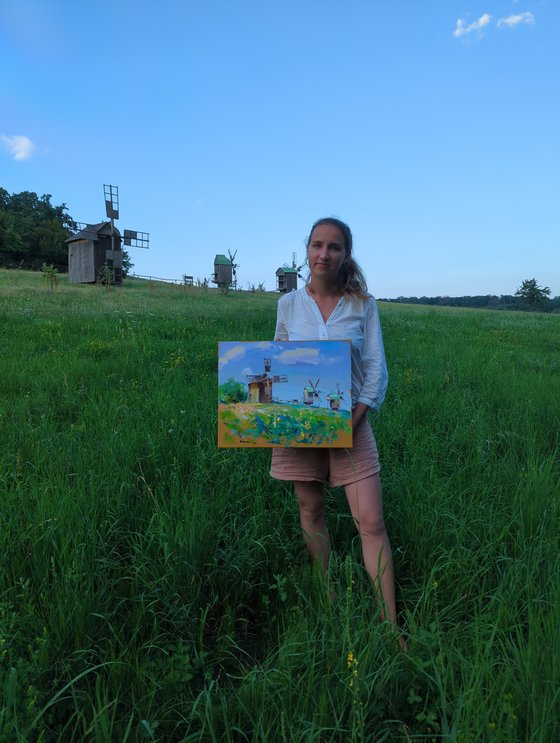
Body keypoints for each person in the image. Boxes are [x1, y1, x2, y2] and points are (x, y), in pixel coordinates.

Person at [270, 217, 404, 643]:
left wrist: (355, 418)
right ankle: (327, 595)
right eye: (317, 245)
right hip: (300, 424)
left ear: (346, 254)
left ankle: (390, 627)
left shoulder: (363, 305)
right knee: (310, 511)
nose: (323, 254)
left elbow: (374, 369)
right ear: (307, 250)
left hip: (352, 423)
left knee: (371, 520)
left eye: (334, 247)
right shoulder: (289, 305)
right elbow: (276, 360)